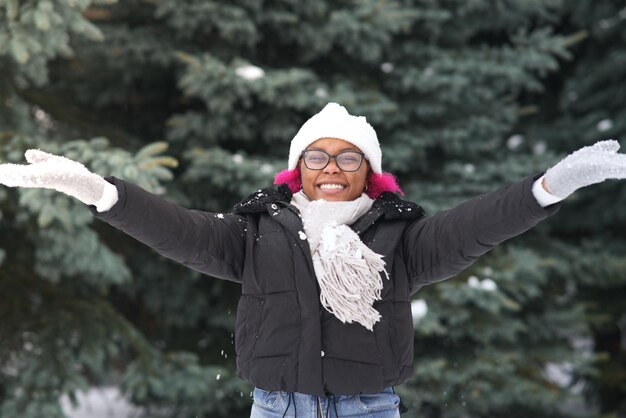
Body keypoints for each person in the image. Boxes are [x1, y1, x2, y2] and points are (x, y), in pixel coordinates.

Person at [1, 102, 625, 418]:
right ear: (297, 169)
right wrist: (99, 192)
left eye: (348, 158)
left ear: (370, 172)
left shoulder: (401, 239)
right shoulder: (255, 231)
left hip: (368, 408)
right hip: (274, 407)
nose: (331, 169)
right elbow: (180, 232)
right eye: (317, 158)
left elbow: (477, 227)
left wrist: (552, 186)